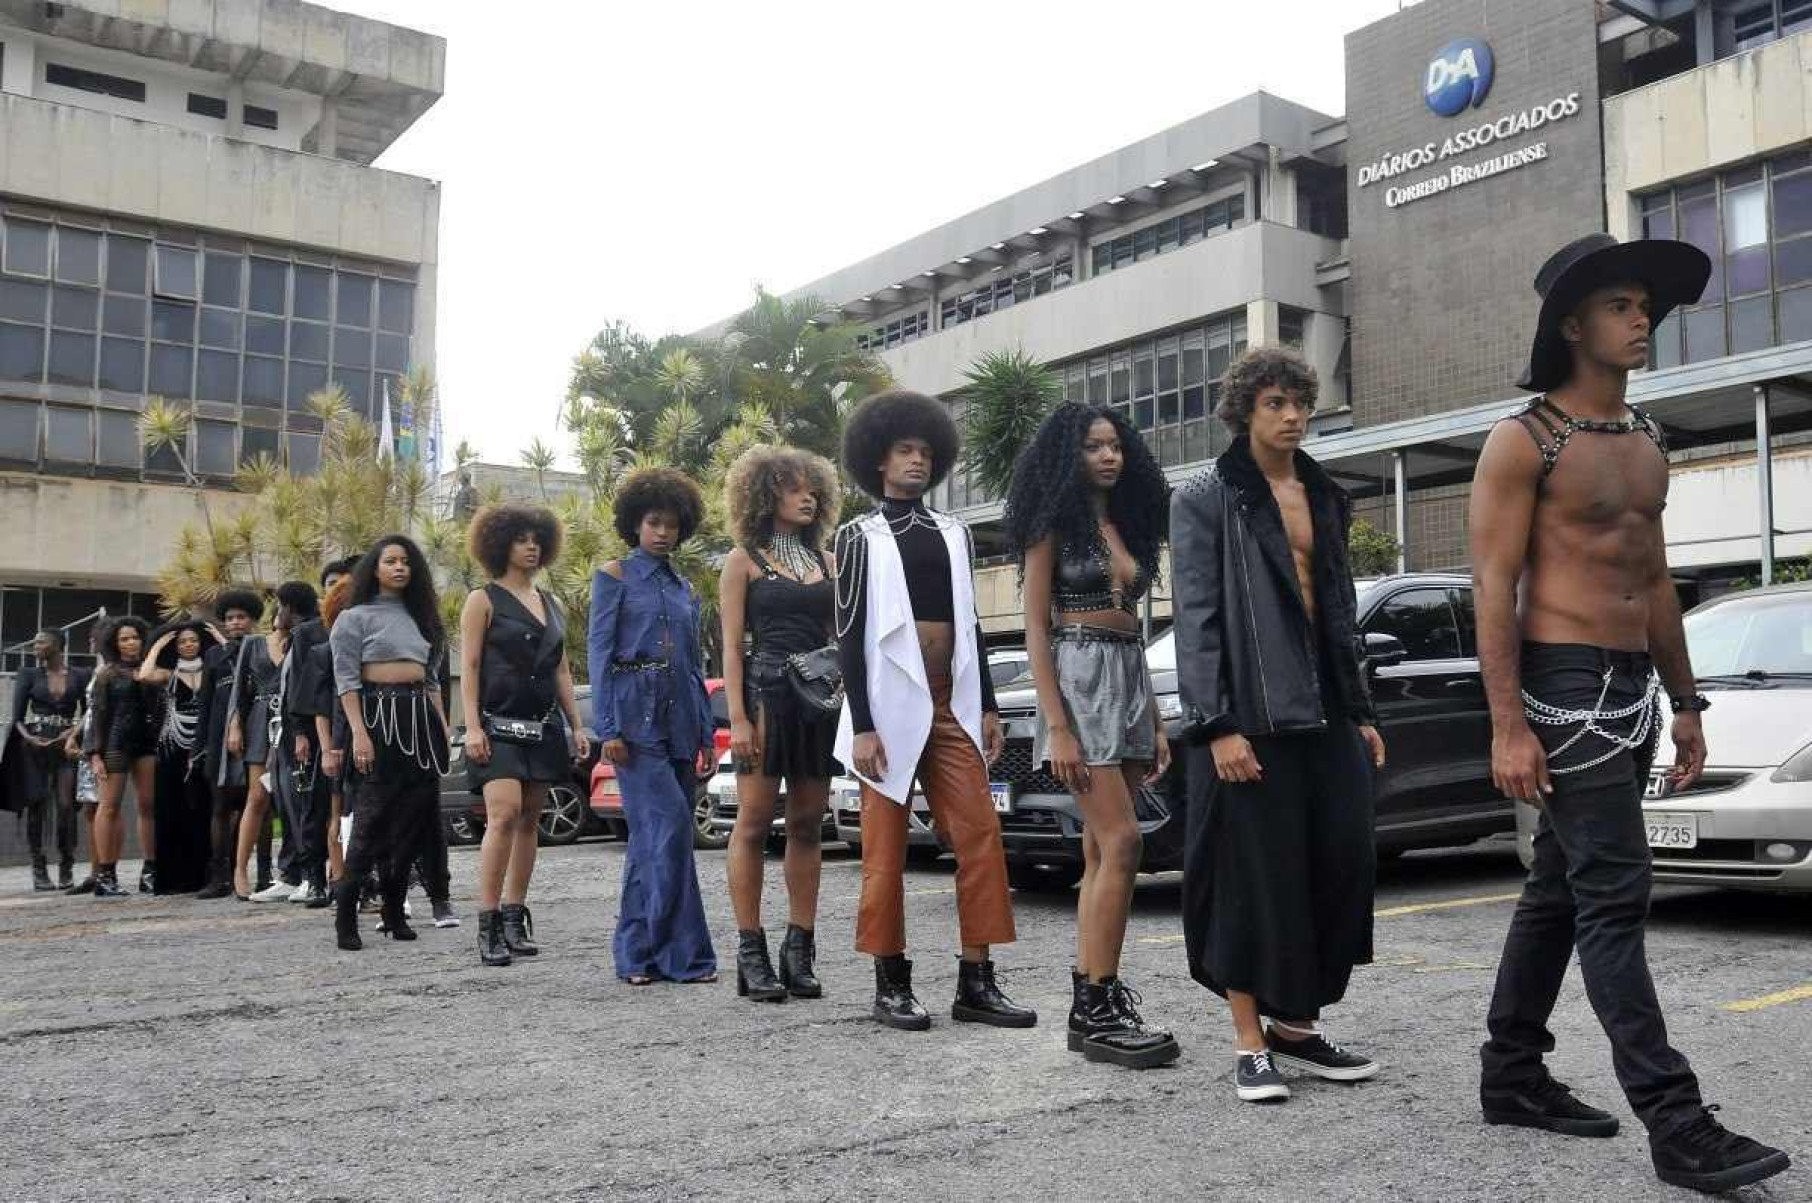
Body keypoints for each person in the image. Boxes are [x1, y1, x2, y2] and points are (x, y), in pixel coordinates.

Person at [1471, 234, 1789, 1194]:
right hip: (1560, 685)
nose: (1641, 317)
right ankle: (1676, 1120)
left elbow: (1652, 580)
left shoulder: (1647, 439)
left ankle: (1512, 1073)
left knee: (1561, 888)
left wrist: (1689, 703)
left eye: (1645, 304)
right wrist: (1506, 726)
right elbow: (1493, 587)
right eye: (1621, 304)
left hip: (1633, 685)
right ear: (1574, 325)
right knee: (1615, 896)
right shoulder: (1527, 439)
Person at [1170, 347, 1388, 1104]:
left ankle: (1296, 1026)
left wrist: (1358, 710)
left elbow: (1337, 607)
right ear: (1244, 411)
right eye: (1274, 403)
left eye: (1300, 402)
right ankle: (1248, 1040)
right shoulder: (1208, 493)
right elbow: (1194, 618)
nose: (1292, 415)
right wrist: (1216, 724)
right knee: (1250, 876)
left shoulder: (1324, 491)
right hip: (1246, 716)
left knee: (1338, 861)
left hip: (1324, 707)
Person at [834, 389, 1033, 1033]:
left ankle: (977, 981)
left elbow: (972, 622)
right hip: (888, 708)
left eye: (924, 451)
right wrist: (862, 724)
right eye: (903, 451)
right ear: (879, 461)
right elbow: (849, 633)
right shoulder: (856, 537)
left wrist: (992, 708)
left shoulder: (955, 533)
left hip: (950, 699)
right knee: (885, 851)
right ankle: (891, 981)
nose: (915, 461)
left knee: (979, 834)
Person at [1005, 404, 1177, 1069]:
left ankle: (1094, 1003)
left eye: (1115, 445)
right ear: (1066, 456)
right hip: (1077, 675)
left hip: (1129, 672)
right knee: (1123, 839)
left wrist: (1156, 719)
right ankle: (1096, 1002)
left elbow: (1138, 623)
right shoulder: (1051, 524)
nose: (1108, 456)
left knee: (1101, 851)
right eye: (1093, 446)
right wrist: (1057, 724)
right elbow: (1037, 629)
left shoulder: (1128, 525)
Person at [719, 445, 841, 1002]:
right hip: (765, 694)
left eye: (813, 488)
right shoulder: (743, 559)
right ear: (767, 494)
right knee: (752, 822)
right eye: (795, 488)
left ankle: (800, 949)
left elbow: (843, 637)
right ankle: (751, 951)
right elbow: (730, 648)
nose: (808, 496)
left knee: (809, 823)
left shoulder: (829, 562)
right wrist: (738, 718)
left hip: (817, 698)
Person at [590, 468, 718, 986]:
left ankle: (639, 954)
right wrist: (607, 729)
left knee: (657, 841)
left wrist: (708, 732)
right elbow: (598, 653)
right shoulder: (614, 576)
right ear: (635, 524)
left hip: (683, 716)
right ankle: (683, 957)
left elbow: (694, 662)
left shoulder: (684, 586)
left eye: (670, 524)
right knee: (665, 830)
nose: (662, 532)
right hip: (635, 717)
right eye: (652, 522)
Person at [460, 503, 588, 967]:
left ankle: (515, 915)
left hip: (543, 724)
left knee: (531, 818)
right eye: (520, 539)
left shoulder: (551, 603)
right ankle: (488, 919)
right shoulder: (484, 599)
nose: (531, 546)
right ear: (500, 544)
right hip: (497, 724)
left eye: (537, 539)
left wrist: (576, 725)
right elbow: (469, 666)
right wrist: (472, 725)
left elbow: (561, 669)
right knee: (503, 813)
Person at [329, 535, 449, 950]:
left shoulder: (425, 619)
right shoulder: (353, 618)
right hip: (377, 718)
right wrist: (359, 734)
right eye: (391, 561)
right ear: (375, 570)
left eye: (406, 562)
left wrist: (444, 728)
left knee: (412, 824)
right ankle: (346, 914)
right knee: (371, 820)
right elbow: (346, 681)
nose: (400, 568)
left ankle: (394, 911)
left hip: (420, 720)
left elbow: (432, 680)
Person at [137, 618, 222, 894]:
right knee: (173, 808)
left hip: (205, 744)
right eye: (182, 641)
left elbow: (232, 664)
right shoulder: (168, 672)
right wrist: (157, 645)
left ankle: (208, 874)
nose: (188, 645)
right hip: (172, 746)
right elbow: (143, 675)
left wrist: (220, 640)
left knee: (205, 807)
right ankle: (174, 877)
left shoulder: (213, 668)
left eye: (193, 640)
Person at [2, 631, 89, 891]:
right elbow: (16, 717)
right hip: (35, 745)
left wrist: (73, 732)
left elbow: (88, 712)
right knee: (37, 805)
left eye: (41, 642)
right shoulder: (28, 675)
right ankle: (39, 868)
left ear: (58, 645)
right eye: (35, 642)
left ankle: (66, 865)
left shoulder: (80, 675)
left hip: (66, 745)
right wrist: (30, 737)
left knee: (65, 805)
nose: (35, 646)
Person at [82, 616, 158, 898]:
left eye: (135, 637)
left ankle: (150, 871)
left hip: (148, 743)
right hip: (114, 743)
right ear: (114, 643)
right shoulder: (106, 675)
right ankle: (106, 875)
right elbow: (96, 716)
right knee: (109, 806)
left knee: (149, 805)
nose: (131, 643)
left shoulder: (152, 670)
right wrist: (94, 753)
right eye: (124, 639)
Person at [195, 589, 263, 900]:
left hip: (257, 736)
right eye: (230, 618)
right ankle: (219, 875)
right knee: (220, 807)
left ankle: (263, 874)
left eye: (241, 617)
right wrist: (200, 747)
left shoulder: (263, 649)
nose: (235, 623)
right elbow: (206, 704)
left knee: (260, 803)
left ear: (252, 620)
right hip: (218, 741)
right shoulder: (213, 656)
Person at [270, 581, 333, 907]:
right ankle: (311, 876)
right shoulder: (301, 635)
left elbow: (302, 687)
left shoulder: (308, 633)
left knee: (311, 805)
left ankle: (314, 878)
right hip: (308, 729)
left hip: (312, 730)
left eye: (279, 605)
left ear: (289, 607)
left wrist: (299, 732)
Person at [228, 596, 289, 902]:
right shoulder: (253, 643)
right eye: (281, 609)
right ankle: (239, 870)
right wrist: (235, 726)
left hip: (292, 721)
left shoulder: (302, 642)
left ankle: (293, 874)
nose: (284, 615)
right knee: (256, 797)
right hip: (259, 719)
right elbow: (240, 689)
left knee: (293, 800)